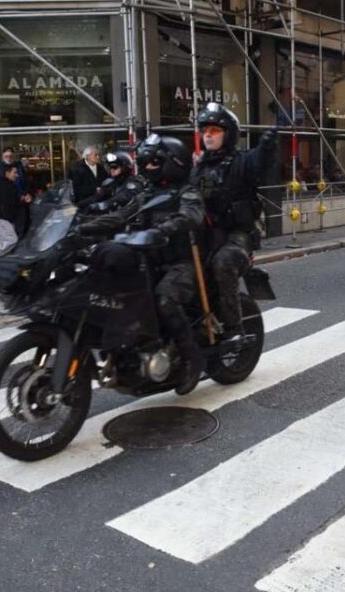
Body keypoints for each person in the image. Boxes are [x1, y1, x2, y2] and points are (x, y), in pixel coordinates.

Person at [76, 134, 205, 395]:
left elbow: (191, 216)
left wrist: (163, 229)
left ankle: (192, 359)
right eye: (145, 163)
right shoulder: (147, 193)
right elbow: (121, 215)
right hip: (147, 262)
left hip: (180, 264)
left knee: (164, 301)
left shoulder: (187, 191)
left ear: (173, 163)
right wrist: (81, 227)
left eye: (154, 163)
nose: (148, 167)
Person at [189, 102, 277, 339]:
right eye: (205, 130)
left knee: (223, 262)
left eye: (215, 130)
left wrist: (267, 147)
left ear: (228, 134)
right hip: (205, 234)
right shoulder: (198, 168)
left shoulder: (241, 162)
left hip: (236, 235)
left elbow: (258, 162)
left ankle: (234, 328)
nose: (208, 135)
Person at [0, 163, 24, 260]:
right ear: (7, 173)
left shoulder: (13, 186)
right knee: (11, 239)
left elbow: (14, 202)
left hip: (9, 218)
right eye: (14, 172)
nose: (17, 175)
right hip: (0, 216)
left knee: (6, 241)